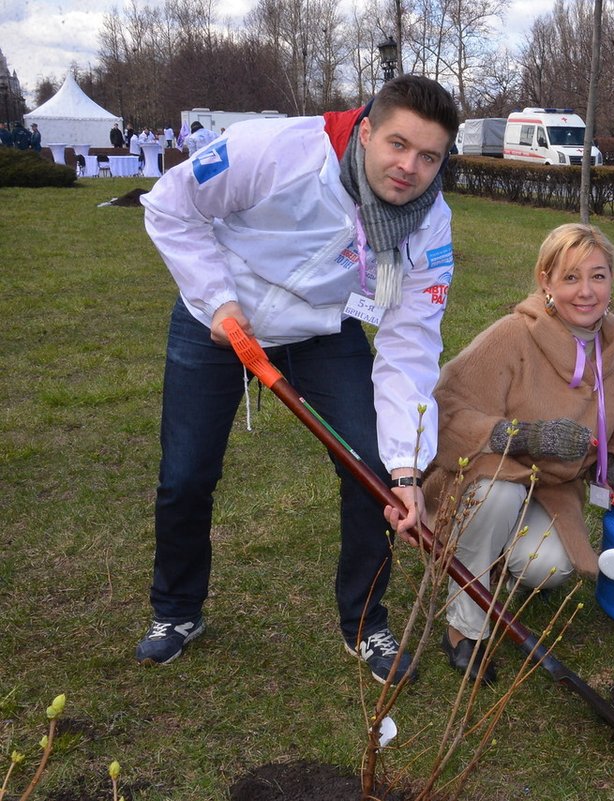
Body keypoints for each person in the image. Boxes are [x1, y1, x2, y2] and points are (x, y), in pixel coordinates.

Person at [136, 75, 461, 685]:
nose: (408, 167)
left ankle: (366, 625)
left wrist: (406, 469)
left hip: (321, 330)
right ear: (365, 130)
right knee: (185, 474)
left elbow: (409, 344)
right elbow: (171, 206)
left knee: (371, 472)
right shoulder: (274, 150)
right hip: (220, 319)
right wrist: (218, 302)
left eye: (428, 157)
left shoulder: (429, 224)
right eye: (397, 144)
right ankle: (176, 610)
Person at [418, 223, 614, 685]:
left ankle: (486, 556)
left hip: (548, 491)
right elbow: (444, 407)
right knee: (499, 498)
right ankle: (464, 628)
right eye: (571, 277)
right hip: (482, 478)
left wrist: (613, 466)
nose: (586, 291)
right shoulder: (512, 334)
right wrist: (519, 436)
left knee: (551, 567)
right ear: (546, 281)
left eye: (598, 276)